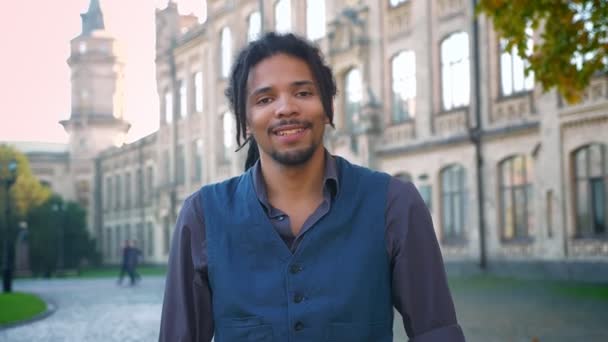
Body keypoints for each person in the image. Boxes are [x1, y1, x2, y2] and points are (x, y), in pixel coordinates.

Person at [160, 32, 465, 341]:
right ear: (246, 119)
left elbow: (436, 332)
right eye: (265, 99)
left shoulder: (394, 204)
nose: (286, 108)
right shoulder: (202, 217)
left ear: (328, 106)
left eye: (303, 93)